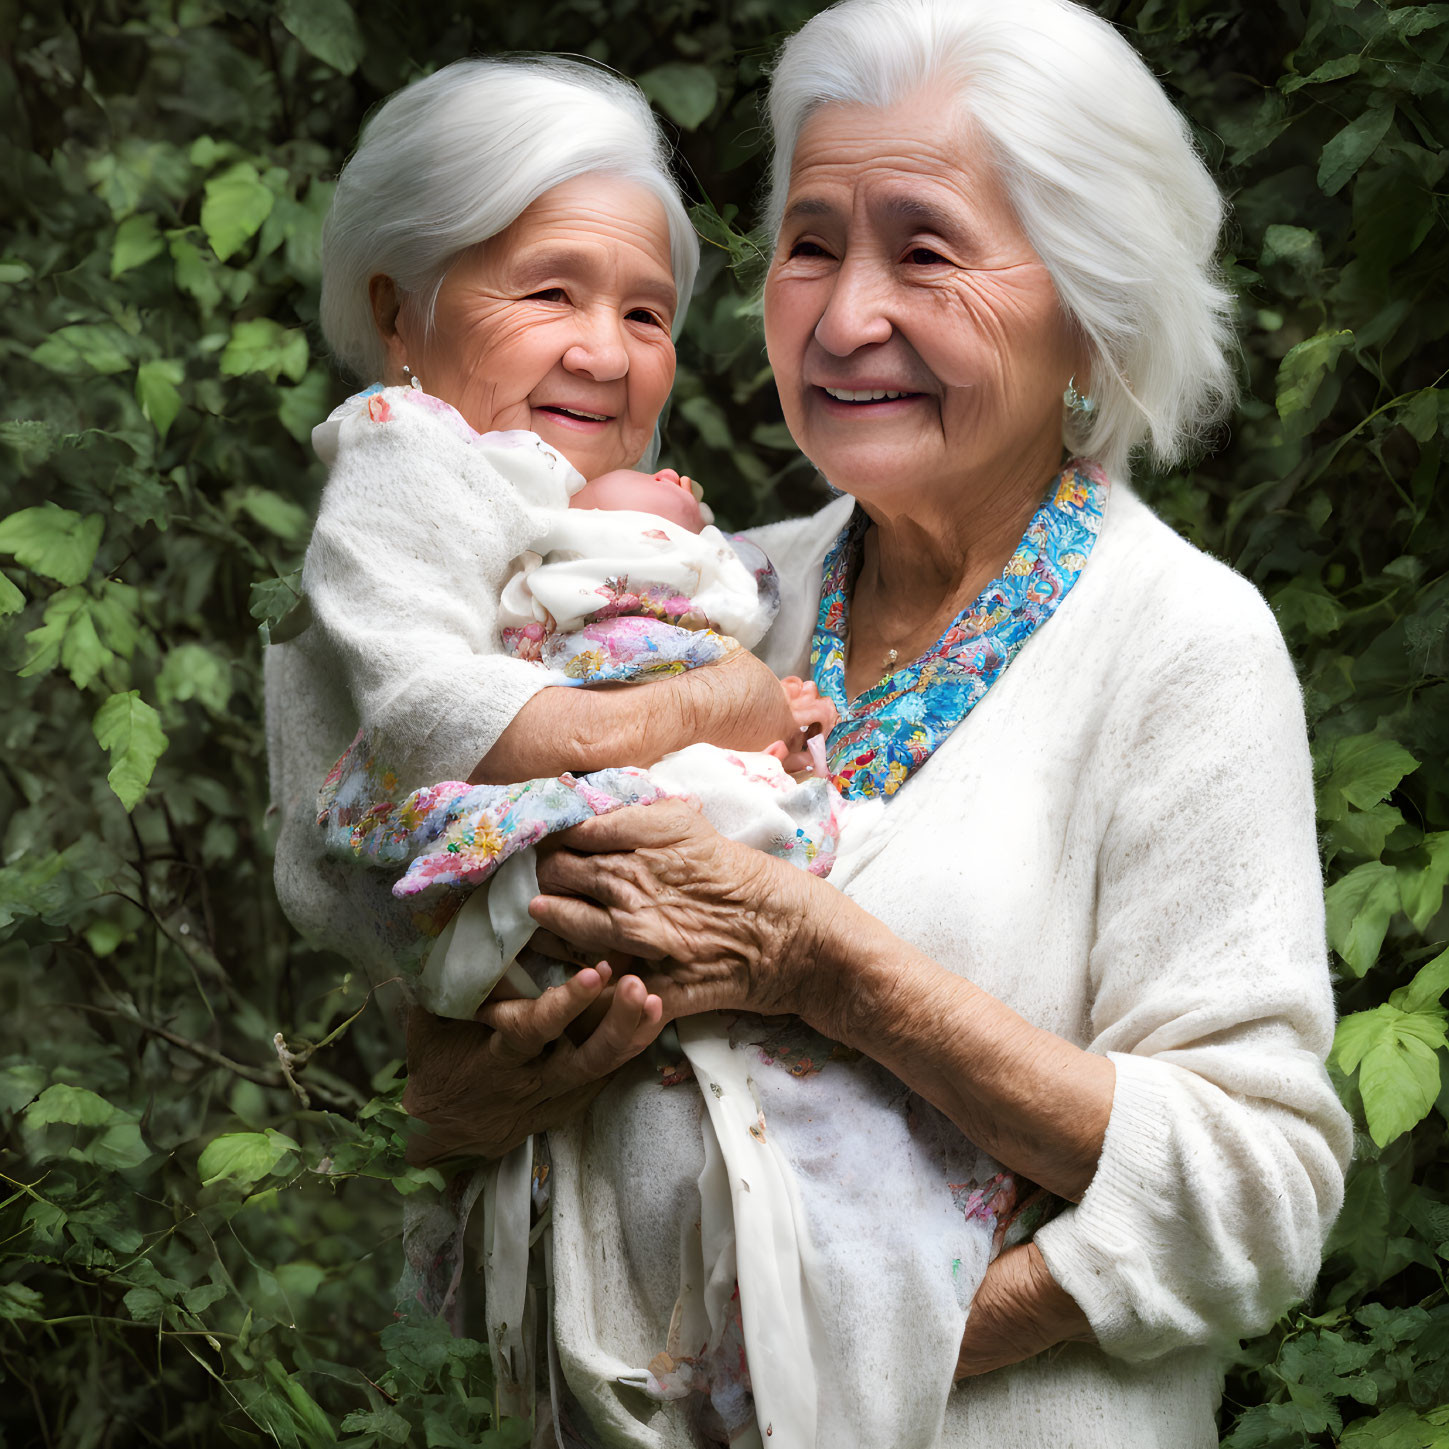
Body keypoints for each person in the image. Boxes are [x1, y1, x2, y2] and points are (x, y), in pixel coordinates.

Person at [391, 2, 1355, 1446]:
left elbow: (1255, 1182)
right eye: (809, 244)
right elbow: (444, 1070)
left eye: (924, 249)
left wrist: (843, 1329)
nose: (844, 320)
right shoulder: (703, 594)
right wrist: (466, 1093)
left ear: (1089, 303)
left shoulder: (1177, 642)